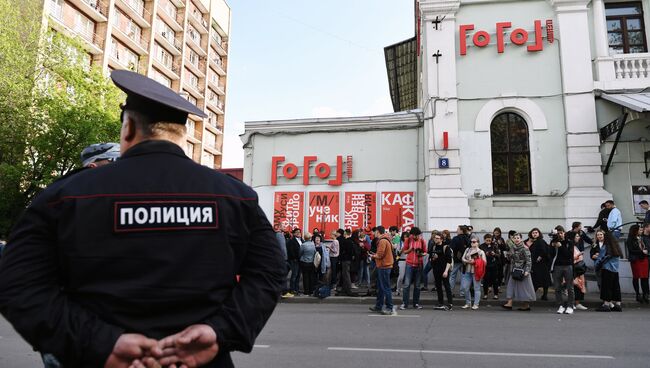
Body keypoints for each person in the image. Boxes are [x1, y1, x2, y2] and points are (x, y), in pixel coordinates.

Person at [0, 70, 285, 368]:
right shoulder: (235, 196)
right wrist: (219, 331)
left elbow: (16, 283)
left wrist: (100, 342)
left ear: (129, 128)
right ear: (182, 135)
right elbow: (269, 272)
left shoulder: (68, 195)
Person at [502, 233, 536, 311]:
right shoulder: (512, 248)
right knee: (511, 285)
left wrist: (527, 271)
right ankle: (509, 303)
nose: (516, 239)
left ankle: (526, 305)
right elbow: (511, 258)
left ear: (521, 239)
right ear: (513, 239)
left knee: (524, 288)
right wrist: (508, 255)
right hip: (514, 270)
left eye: (518, 238)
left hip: (523, 271)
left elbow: (529, 261)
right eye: (515, 238)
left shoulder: (525, 248)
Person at [368, 226, 396, 315]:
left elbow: (380, 255)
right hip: (384, 265)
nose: (374, 233)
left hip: (384, 266)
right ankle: (378, 306)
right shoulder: (386, 239)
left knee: (385, 288)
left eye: (375, 232)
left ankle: (389, 307)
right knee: (381, 287)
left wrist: (372, 256)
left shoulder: (382, 240)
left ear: (378, 231)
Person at [595, 230, 623, 312]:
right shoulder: (616, 248)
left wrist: (597, 266)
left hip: (607, 269)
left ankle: (606, 305)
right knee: (616, 287)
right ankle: (618, 304)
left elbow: (601, 258)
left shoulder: (605, 247)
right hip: (615, 270)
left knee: (606, 287)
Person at [549, 226, 575, 314]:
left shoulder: (569, 242)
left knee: (569, 287)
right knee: (557, 287)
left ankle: (570, 306)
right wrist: (553, 246)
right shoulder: (553, 242)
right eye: (558, 233)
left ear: (564, 233)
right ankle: (561, 305)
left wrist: (561, 247)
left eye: (561, 233)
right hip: (557, 266)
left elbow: (569, 255)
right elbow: (550, 255)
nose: (559, 235)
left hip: (568, 266)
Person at [399, 227, 426, 310]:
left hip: (418, 264)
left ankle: (416, 303)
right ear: (412, 235)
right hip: (409, 264)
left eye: (417, 235)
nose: (416, 237)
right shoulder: (408, 240)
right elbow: (404, 251)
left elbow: (425, 251)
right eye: (415, 235)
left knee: (417, 286)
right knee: (406, 285)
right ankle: (405, 303)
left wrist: (421, 254)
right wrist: (410, 249)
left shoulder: (422, 241)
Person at [461, 237, 486, 310]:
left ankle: (476, 304)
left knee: (476, 288)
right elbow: (462, 258)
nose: (472, 243)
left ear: (478, 242)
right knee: (465, 288)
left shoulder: (481, 252)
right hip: (467, 271)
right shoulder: (467, 249)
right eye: (471, 242)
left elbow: (485, 262)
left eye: (474, 242)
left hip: (476, 272)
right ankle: (468, 303)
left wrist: (475, 262)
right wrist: (469, 261)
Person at [626, 224, 649, 303]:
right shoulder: (630, 239)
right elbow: (631, 250)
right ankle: (637, 294)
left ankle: (645, 294)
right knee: (636, 277)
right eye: (640, 230)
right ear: (635, 231)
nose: (641, 231)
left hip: (644, 259)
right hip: (636, 260)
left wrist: (644, 251)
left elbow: (644, 246)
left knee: (645, 277)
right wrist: (641, 251)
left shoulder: (641, 238)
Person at [430, 233, 454, 310]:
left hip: (444, 270)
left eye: (437, 238)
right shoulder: (433, 247)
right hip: (436, 270)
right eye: (435, 238)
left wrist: (446, 271)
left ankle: (450, 303)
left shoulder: (445, 247)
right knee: (438, 286)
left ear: (441, 239)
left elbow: (449, 261)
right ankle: (440, 302)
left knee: (447, 286)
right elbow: (430, 258)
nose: (435, 239)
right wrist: (433, 258)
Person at [528, 228, 551, 300]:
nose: (534, 234)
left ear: (539, 233)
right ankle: (543, 295)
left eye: (536, 233)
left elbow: (544, 251)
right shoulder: (536, 241)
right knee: (542, 280)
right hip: (538, 264)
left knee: (537, 280)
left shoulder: (540, 241)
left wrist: (540, 257)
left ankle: (534, 295)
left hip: (540, 264)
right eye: (533, 233)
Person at [449, 225, 469, 296]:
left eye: (457, 229)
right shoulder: (467, 238)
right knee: (464, 276)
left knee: (452, 275)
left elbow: (450, 249)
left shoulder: (455, 238)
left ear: (461, 230)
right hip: (465, 261)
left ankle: (450, 292)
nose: (456, 230)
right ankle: (462, 293)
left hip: (456, 260)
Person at [480, 233, 501, 300]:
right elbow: (479, 256)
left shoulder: (494, 245)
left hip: (494, 265)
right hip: (485, 265)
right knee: (485, 280)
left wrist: (494, 254)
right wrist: (484, 254)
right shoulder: (482, 246)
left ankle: (495, 294)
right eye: (487, 240)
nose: (488, 242)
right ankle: (485, 294)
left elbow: (499, 255)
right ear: (484, 240)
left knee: (495, 280)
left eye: (490, 240)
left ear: (492, 240)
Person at [337, 229, 356, 296]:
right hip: (348, 260)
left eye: (344, 233)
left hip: (345, 260)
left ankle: (348, 289)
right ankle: (345, 289)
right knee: (345, 274)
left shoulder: (347, 241)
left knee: (346, 274)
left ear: (346, 233)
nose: (343, 234)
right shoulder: (351, 241)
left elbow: (345, 251)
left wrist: (342, 256)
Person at [572, 234, 588, 311]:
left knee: (579, 285)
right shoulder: (571, 247)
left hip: (579, 269)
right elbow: (570, 258)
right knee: (576, 285)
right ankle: (575, 303)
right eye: (577, 236)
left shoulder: (575, 246)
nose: (578, 238)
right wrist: (578, 256)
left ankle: (577, 303)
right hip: (575, 269)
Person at [286, 228, 303, 295]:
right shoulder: (291, 241)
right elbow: (291, 251)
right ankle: (292, 289)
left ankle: (297, 289)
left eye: (299, 232)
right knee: (294, 275)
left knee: (298, 275)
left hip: (300, 260)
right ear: (294, 233)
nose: (298, 233)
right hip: (294, 260)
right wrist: (295, 258)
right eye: (297, 232)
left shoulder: (301, 240)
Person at [395, 230, 409, 296]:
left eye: (407, 237)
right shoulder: (400, 243)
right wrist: (402, 249)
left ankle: (404, 290)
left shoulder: (410, 243)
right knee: (401, 276)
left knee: (407, 277)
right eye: (404, 237)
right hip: (402, 260)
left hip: (409, 261)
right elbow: (397, 253)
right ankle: (398, 289)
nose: (405, 238)